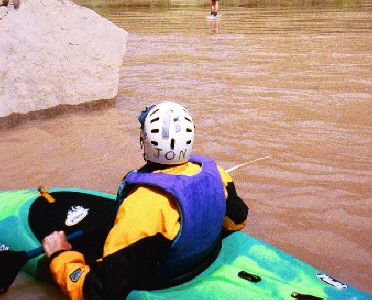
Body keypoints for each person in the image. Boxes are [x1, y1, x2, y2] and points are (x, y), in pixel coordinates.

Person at [42, 101, 248, 300]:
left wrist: (59, 255)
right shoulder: (217, 174)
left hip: (166, 278)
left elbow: (96, 291)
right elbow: (237, 220)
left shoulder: (142, 205)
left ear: (145, 142)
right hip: (203, 261)